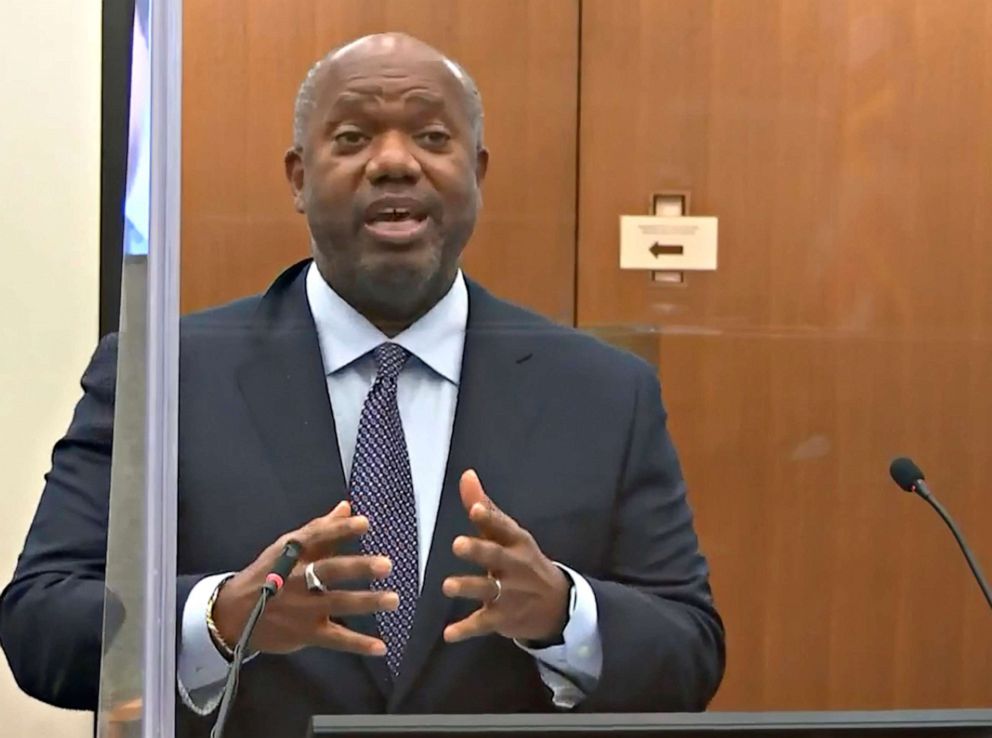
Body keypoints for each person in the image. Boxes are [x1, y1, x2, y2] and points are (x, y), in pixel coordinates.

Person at [0, 33, 724, 737]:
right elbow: (39, 623)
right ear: (297, 177)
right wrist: (220, 619)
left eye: (433, 139)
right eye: (352, 139)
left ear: (478, 171)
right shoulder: (162, 374)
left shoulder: (603, 392)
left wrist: (564, 614)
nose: (394, 163)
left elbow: (691, 652)